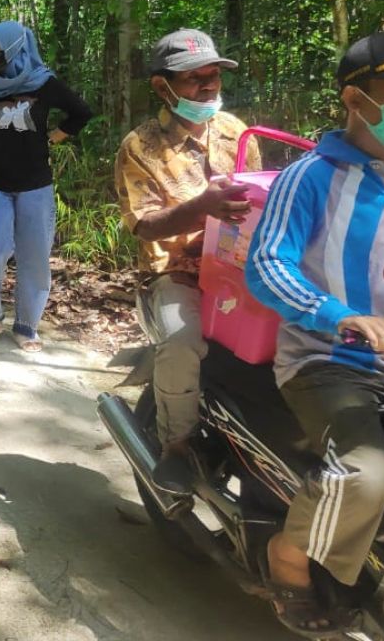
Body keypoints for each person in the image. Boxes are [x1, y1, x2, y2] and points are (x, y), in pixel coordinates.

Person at [247, 31, 384, 636]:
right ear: (355, 97)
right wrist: (337, 314)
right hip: (330, 361)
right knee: (369, 474)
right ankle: (289, 558)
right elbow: (268, 265)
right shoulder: (310, 177)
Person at [114, 29, 260, 495]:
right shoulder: (139, 146)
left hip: (241, 265)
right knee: (180, 341)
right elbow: (145, 224)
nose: (209, 86)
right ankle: (176, 445)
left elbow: (257, 194)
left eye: (213, 76)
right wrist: (202, 207)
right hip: (176, 272)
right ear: (163, 87)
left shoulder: (237, 132)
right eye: (195, 78)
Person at [0, 21, 93, 352]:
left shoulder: (43, 84)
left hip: (35, 184)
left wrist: (57, 135)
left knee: (34, 255)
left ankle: (26, 324)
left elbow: (80, 111)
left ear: (17, 47)